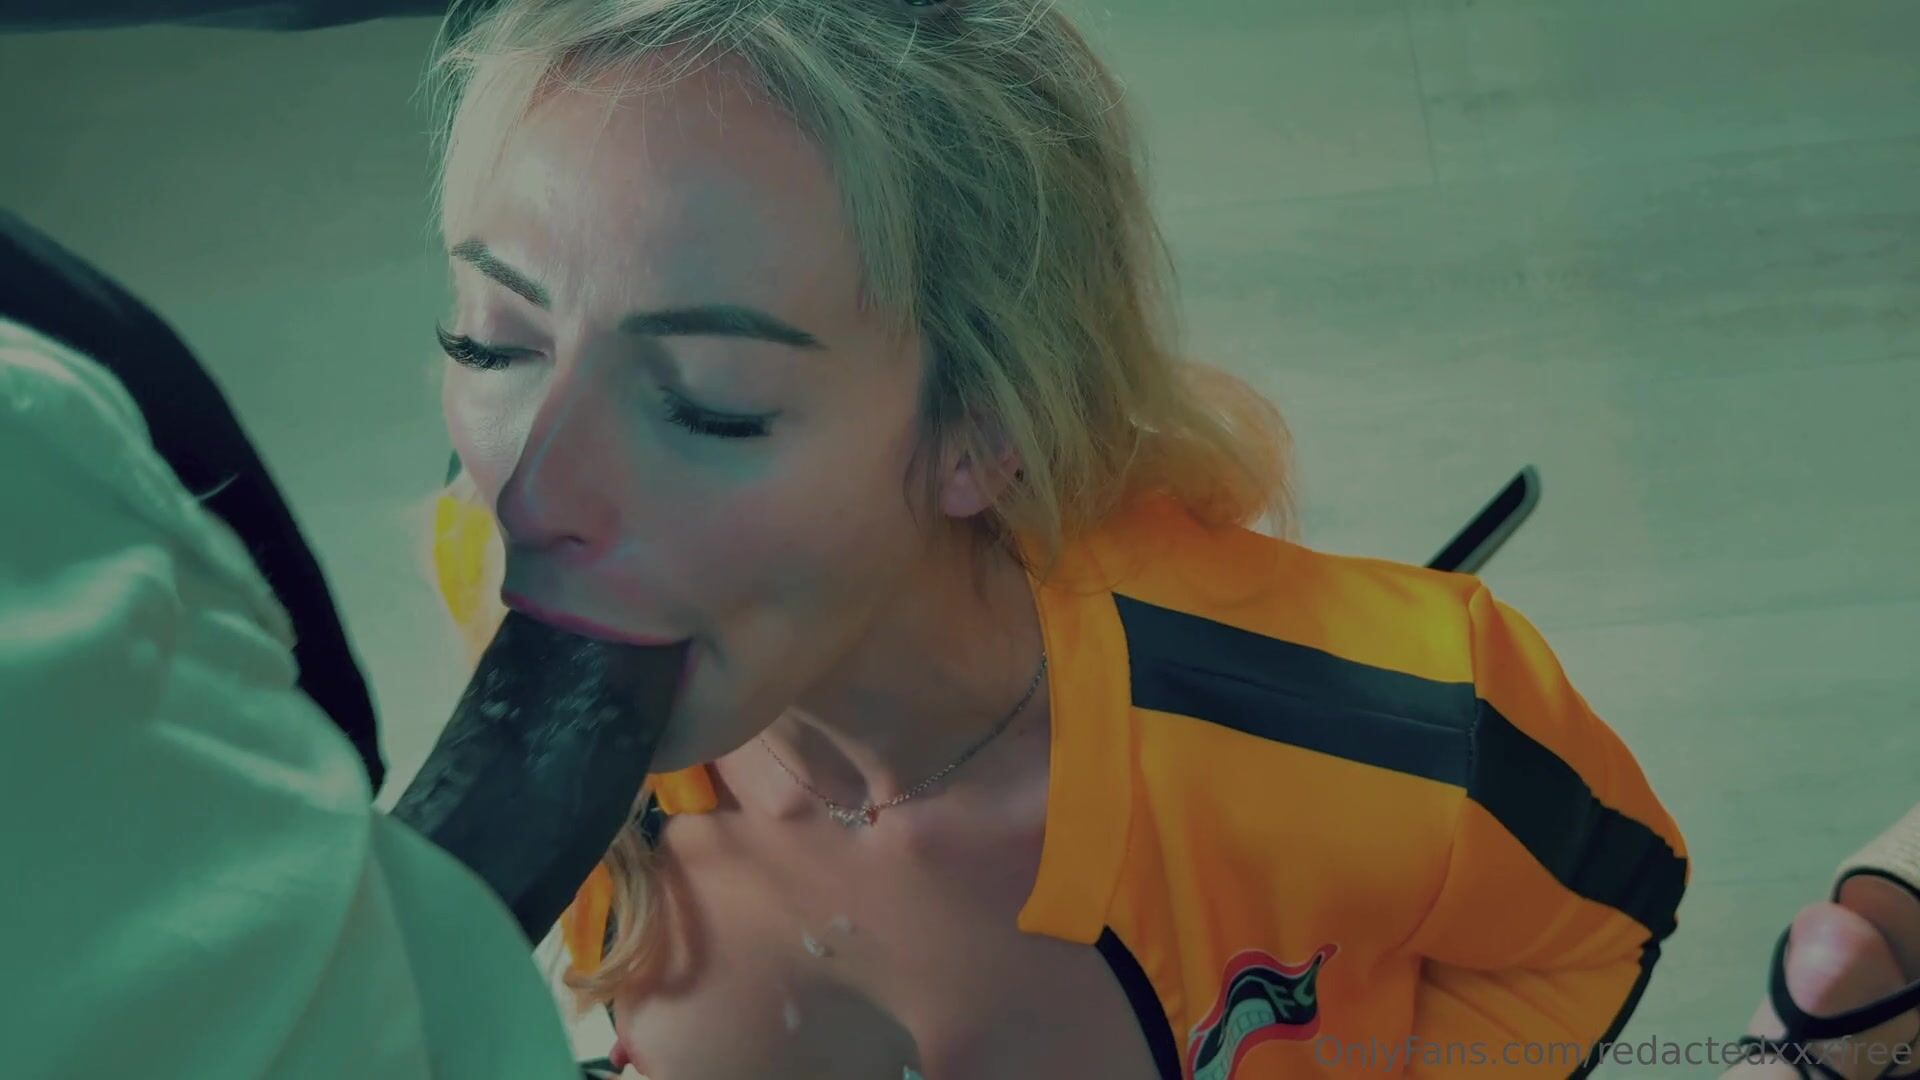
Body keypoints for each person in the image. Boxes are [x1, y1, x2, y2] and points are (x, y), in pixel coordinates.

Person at [417, 1, 1691, 1076]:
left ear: (982, 428)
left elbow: (1591, 935)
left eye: (709, 402)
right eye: (492, 343)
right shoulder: (499, 580)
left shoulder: (1397, 737)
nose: (532, 500)